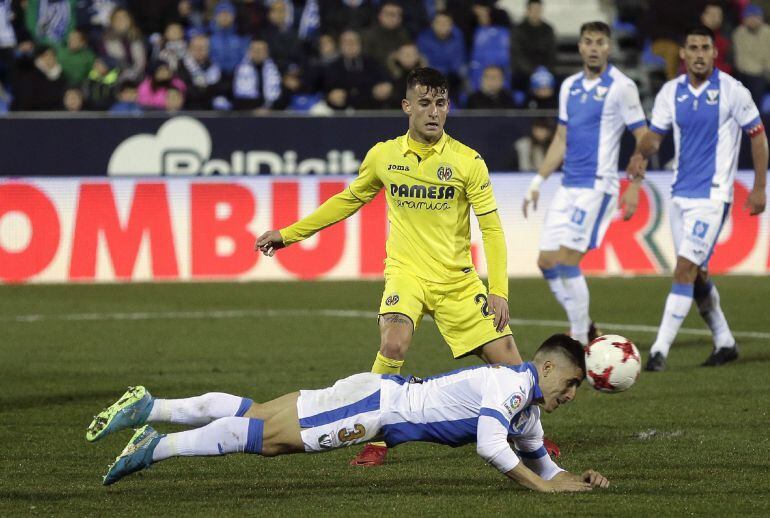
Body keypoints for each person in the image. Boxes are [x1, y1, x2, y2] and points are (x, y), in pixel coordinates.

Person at [256, 67, 524, 466]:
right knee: (393, 343)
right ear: (406, 106)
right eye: (424, 103)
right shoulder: (384, 156)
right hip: (407, 274)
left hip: (457, 280)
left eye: (440, 103)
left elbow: (492, 229)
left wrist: (498, 288)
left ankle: (530, 441)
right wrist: (289, 234)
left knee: (514, 370)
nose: (433, 112)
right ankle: (376, 437)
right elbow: (347, 201)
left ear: (448, 107)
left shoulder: (468, 162)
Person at [87, 334, 609, 492]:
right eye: (571, 383)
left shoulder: (528, 413)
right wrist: (540, 489)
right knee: (268, 438)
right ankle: (156, 446)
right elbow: (492, 446)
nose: (572, 393)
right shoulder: (509, 386)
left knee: (261, 415)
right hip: (375, 407)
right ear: (544, 370)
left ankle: (152, 407)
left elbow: (544, 465)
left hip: (376, 396)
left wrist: (576, 481)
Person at [626, 25, 768, 371]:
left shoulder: (733, 91)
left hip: (713, 196)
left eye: (706, 47)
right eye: (693, 47)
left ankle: (658, 352)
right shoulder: (670, 93)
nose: (700, 53)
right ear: (684, 53)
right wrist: (640, 153)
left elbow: (758, 138)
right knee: (697, 273)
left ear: (714, 53)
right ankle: (726, 341)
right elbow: (654, 138)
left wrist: (759, 186)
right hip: (679, 196)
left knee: (684, 269)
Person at [521, 21, 647, 346]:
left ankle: (578, 342)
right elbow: (561, 138)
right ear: (579, 46)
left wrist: (634, 184)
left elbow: (643, 137)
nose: (593, 47)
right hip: (567, 186)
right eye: (588, 41)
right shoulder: (569, 87)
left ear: (608, 47)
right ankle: (586, 325)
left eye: (600, 42)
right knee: (546, 262)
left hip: (597, 186)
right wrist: (538, 181)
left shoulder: (622, 87)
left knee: (567, 260)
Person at [732, 4, 770, 108]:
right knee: (757, 84)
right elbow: (741, 62)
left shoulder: (768, 32)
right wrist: (760, 72)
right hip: (751, 75)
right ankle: (755, 118)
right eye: (749, 17)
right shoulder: (739, 33)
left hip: (767, 71)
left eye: (756, 16)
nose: (753, 19)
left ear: (761, 18)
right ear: (744, 19)